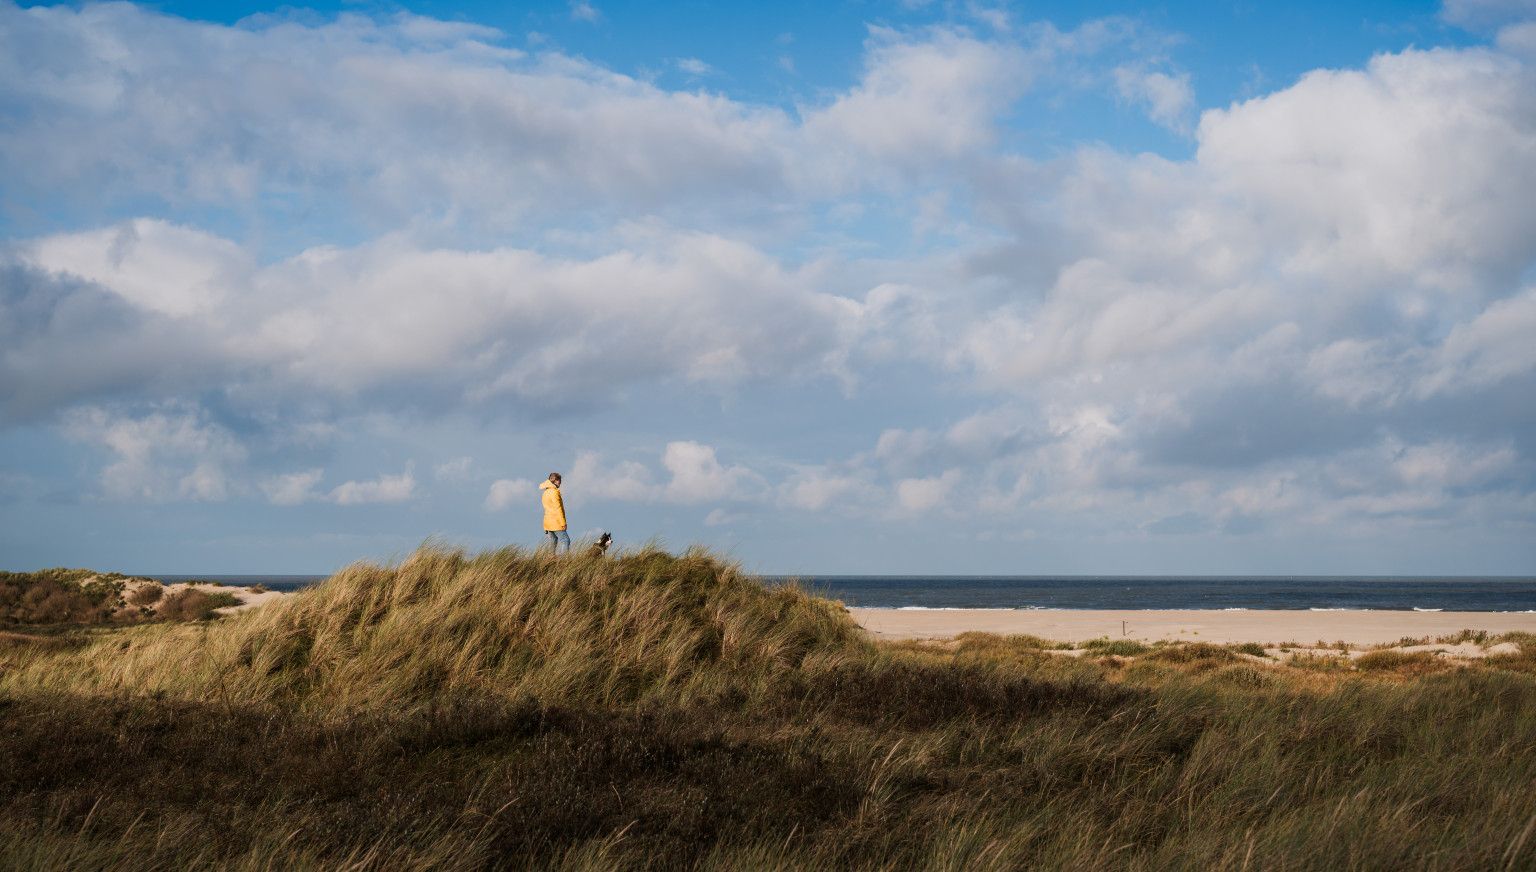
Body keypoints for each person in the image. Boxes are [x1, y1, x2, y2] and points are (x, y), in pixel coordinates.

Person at [540, 472, 569, 555]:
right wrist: (563, 523)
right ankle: (564, 561)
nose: (560, 482)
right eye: (559, 480)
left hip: (547, 522)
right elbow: (558, 509)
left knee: (553, 541)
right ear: (555, 480)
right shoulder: (554, 492)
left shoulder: (545, 492)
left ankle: (550, 559)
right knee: (565, 540)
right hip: (556, 522)